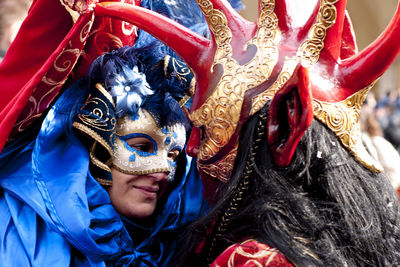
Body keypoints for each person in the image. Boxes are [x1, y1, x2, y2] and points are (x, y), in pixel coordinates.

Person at [100, 0, 400, 266]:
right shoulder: (363, 240)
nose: (192, 151)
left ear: (283, 128)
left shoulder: (252, 259)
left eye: (206, 132)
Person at [0, 43, 208, 266]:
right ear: (92, 142)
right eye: (141, 147)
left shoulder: (170, 247)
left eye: (173, 155)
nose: (163, 171)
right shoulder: (16, 229)